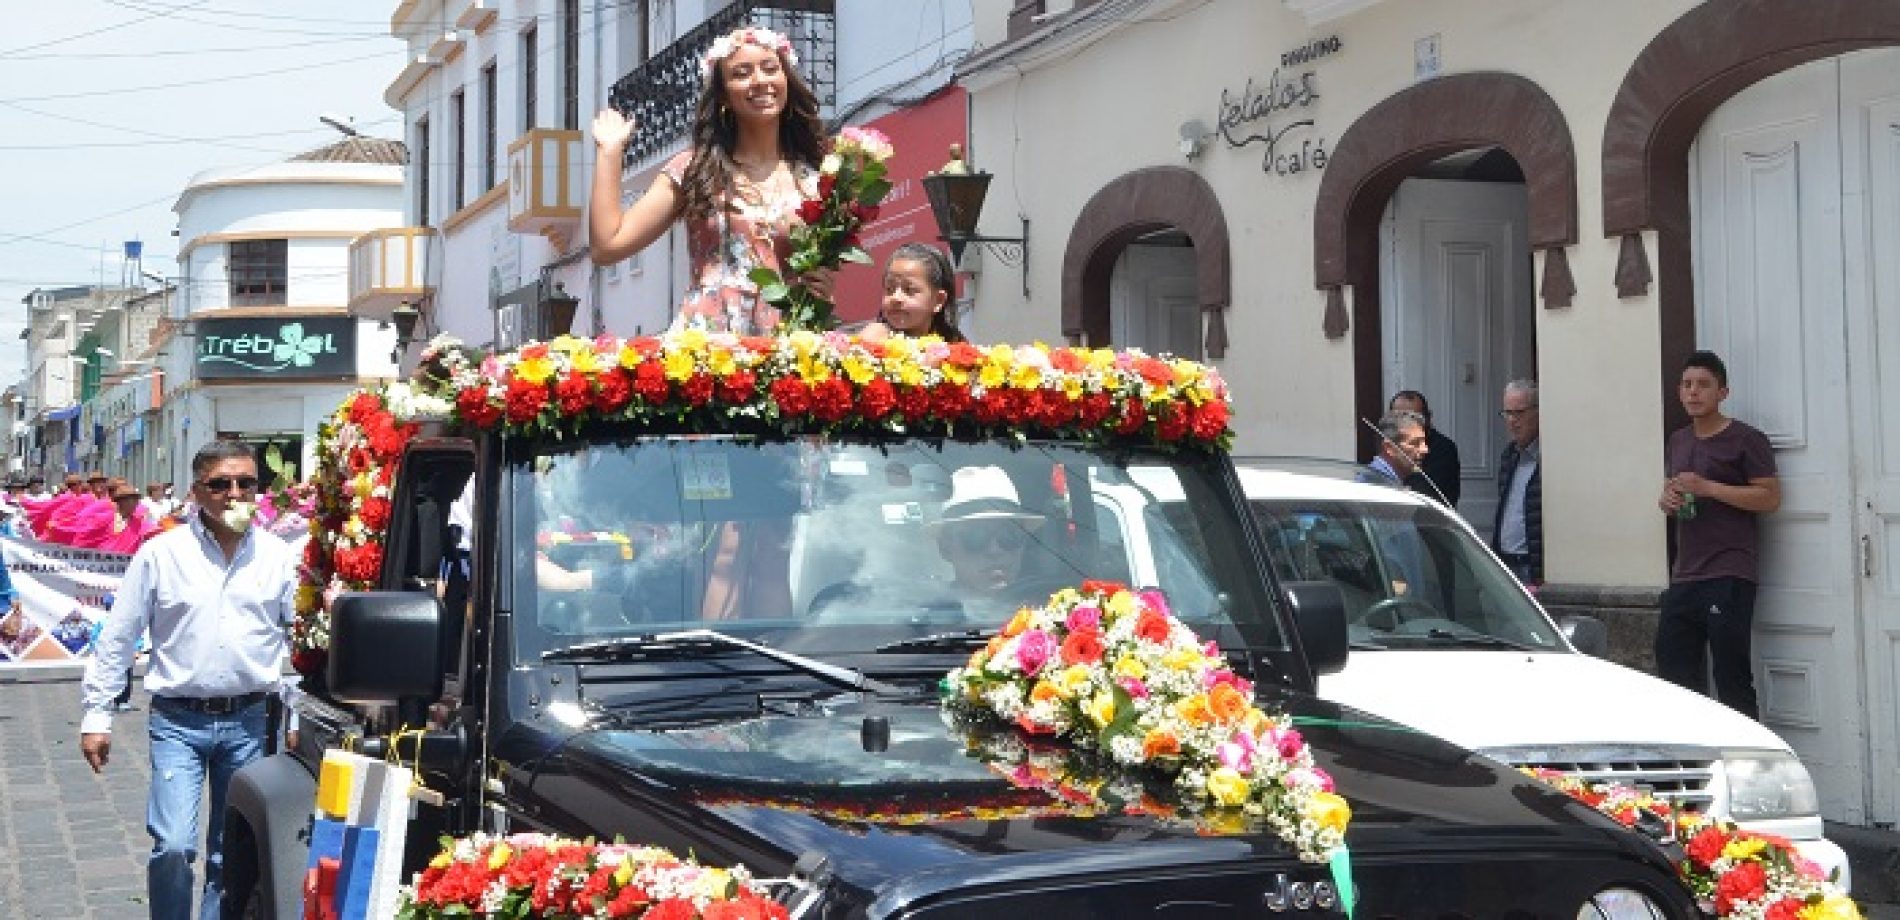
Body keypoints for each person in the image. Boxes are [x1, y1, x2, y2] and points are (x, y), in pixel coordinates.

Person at [78, 441, 299, 920]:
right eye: (220, 484)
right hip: (179, 721)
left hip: (250, 722)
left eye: (246, 483)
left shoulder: (279, 558)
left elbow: (298, 642)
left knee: (230, 853)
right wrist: (97, 715)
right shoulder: (161, 555)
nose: (234, 493)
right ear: (197, 492)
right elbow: (118, 636)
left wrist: (296, 710)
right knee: (174, 845)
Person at [589, 24, 831, 334]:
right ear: (724, 97)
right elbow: (608, 244)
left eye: (770, 69)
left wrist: (823, 290)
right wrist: (610, 152)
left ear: (786, 79)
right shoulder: (696, 168)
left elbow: (820, 270)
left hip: (786, 346)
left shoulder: (814, 178)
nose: (760, 81)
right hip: (710, 346)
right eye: (742, 73)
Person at [1655, 351, 1779, 720]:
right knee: (1675, 677)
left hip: (1729, 572)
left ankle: (1749, 767)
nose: (1694, 393)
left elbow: (1769, 497)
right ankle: (1691, 762)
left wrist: (1710, 487)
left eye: (1704, 385)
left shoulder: (1746, 439)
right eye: (1687, 385)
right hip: (1685, 575)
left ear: (1723, 392)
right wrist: (1666, 500)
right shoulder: (1678, 441)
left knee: (1731, 677)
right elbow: (1673, 494)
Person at [930, 465, 1050, 622]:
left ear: (1023, 544)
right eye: (976, 537)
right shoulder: (927, 623)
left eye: (1009, 536)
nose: (995, 550)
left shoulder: (1052, 616)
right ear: (945, 548)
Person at [1491, 379, 1542, 585]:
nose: (1512, 420)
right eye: (1507, 413)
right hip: (1506, 562)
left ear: (1538, 412)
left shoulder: (1549, 457)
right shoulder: (1509, 456)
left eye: (1519, 413)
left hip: (1532, 566)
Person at [862, 243, 966, 342]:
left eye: (909, 290)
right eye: (889, 289)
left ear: (938, 300)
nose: (895, 298)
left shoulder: (954, 348)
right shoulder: (875, 338)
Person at [1388, 390, 1461, 507]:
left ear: (1428, 418)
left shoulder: (1443, 448)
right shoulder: (1388, 443)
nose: (1405, 423)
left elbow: (1428, 492)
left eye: (1413, 417)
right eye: (1399, 416)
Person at [1357, 410, 1430, 487]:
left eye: (1424, 442)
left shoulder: (1389, 481)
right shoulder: (1376, 485)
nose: (1425, 449)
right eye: (1415, 443)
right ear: (1390, 448)